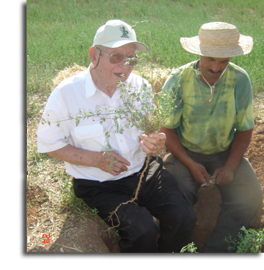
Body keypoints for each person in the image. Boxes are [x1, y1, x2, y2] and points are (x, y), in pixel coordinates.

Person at [37, 19, 196, 253]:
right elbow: (50, 145)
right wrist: (95, 159)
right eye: (116, 57)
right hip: (98, 184)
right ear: (94, 56)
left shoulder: (139, 86)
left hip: (144, 171)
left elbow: (151, 130)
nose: (126, 65)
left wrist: (155, 142)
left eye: (131, 58)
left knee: (184, 216)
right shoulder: (66, 94)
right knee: (143, 230)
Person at [160, 22, 263, 253]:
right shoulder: (178, 80)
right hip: (184, 152)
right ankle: (175, 249)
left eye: (223, 61)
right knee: (178, 194)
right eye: (210, 59)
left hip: (224, 151)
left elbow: (245, 129)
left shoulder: (240, 80)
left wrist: (230, 166)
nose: (216, 67)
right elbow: (166, 131)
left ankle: (215, 252)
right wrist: (190, 163)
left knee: (250, 196)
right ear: (199, 53)